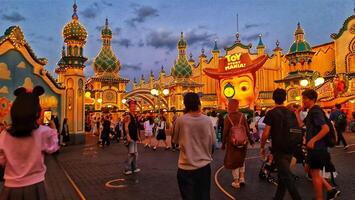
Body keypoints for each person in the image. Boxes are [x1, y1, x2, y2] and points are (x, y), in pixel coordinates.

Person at [0, 86, 59, 199]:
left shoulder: (5, 134)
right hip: (36, 186)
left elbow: (1, 160)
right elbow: (53, 148)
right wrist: (54, 130)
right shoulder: (43, 132)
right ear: (36, 110)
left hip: (11, 187)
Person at [294, 89, 341, 200]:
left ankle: (320, 198)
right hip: (315, 148)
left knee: (314, 175)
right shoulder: (311, 111)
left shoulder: (315, 111)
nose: (303, 101)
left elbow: (325, 128)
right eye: (303, 98)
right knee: (309, 170)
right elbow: (301, 125)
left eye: (305, 98)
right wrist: (297, 113)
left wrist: (312, 140)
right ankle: (330, 190)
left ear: (312, 99)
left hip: (317, 148)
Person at [173, 92, 216, 200]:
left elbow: (175, 140)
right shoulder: (207, 120)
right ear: (198, 102)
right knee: (204, 196)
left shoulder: (181, 120)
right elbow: (213, 143)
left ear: (185, 104)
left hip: (185, 166)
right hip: (204, 166)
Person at [260, 88, 301, 200]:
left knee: (287, 177)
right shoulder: (290, 112)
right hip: (291, 146)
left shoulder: (271, 113)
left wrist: (262, 146)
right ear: (285, 98)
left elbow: (266, 133)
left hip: (279, 148)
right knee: (283, 174)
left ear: (273, 98)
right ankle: (278, 197)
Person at [222, 99, 254, 189]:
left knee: (234, 160)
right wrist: (251, 140)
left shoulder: (227, 117)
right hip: (243, 142)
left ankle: (236, 182)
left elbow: (225, 132)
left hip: (232, 143)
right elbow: (247, 129)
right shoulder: (242, 116)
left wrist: (223, 143)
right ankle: (242, 178)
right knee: (241, 159)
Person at [124, 100, 141, 175]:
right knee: (131, 154)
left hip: (134, 137)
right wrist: (128, 136)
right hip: (130, 137)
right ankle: (126, 168)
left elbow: (136, 127)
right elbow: (126, 127)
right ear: (129, 107)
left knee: (135, 153)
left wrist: (138, 136)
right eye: (132, 106)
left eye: (135, 106)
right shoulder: (128, 116)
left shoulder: (135, 116)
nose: (134, 108)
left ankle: (134, 168)